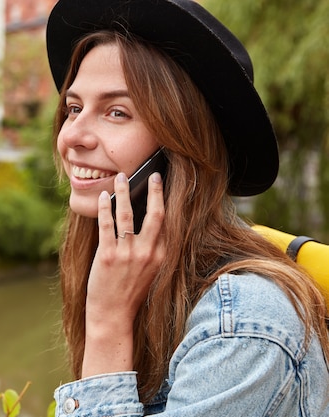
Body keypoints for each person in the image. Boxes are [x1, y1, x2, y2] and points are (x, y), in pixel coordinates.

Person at [45, 0, 329, 415]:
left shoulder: (241, 328)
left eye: (117, 112)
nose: (72, 136)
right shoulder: (140, 284)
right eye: (74, 108)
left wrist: (107, 327)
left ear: (181, 147)